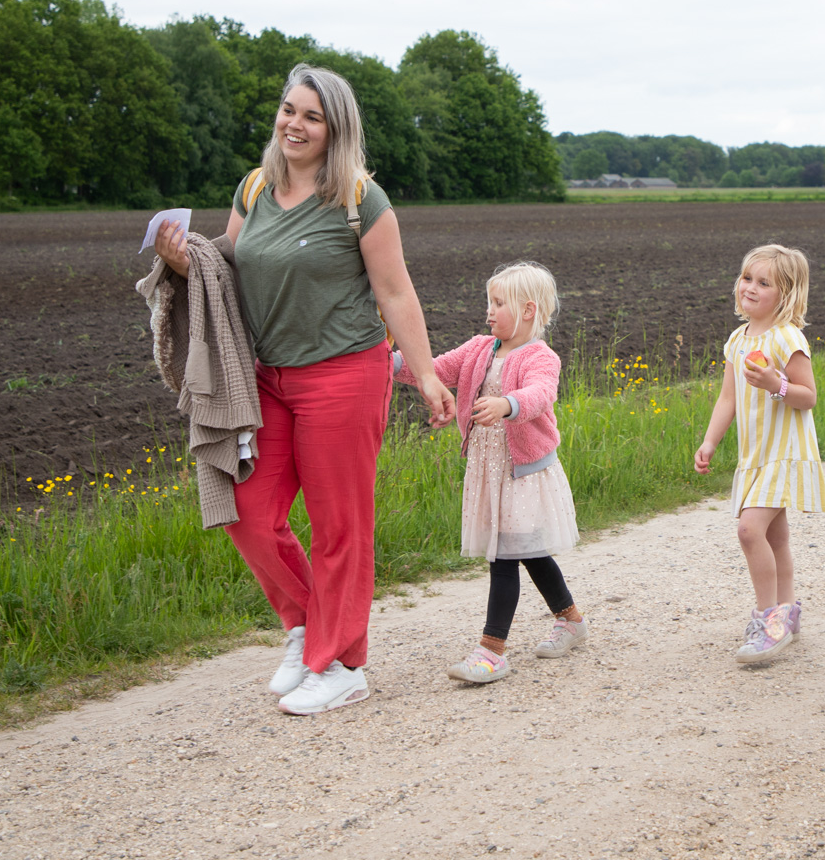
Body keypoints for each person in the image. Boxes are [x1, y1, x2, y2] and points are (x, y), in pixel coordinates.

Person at [153, 63, 454, 717]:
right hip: (266, 376)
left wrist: (427, 374)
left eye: (312, 116)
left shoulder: (360, 199)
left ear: (334, 129)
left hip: (343, 374)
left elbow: (395, 293)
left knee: (339, 526)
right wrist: (184, 261)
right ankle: (306, 625)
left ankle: (343, 666)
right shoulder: (255, 187)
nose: (295, 124)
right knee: (246, 508)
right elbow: (230, 262)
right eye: (289, 109)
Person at [395, 261, 587, 684]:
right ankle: (571, 620)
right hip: (489, 472)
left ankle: (491, 651)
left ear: (528, 310)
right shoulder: (480, 349)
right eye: (490, 302)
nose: (490, 310)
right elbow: (434, 369)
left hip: (523, 474)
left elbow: (540, 394)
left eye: (499, 303)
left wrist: (507, 404)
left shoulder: (540, 356)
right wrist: (388, 363)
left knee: (504, 557)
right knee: (529, 552)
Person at [694, 244, 825, 664]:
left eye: (764, 283)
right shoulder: (738, 340)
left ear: (785, 294)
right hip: (754, 455)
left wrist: (776, 384)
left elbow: (808, 396)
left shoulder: (787, 337)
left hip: (785, 452)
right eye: (747, 278)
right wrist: (710, 441)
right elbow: (728, 398)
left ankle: (768, 621)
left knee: (750, 531)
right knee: (774, 537)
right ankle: (786, 611)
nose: (750, 287)